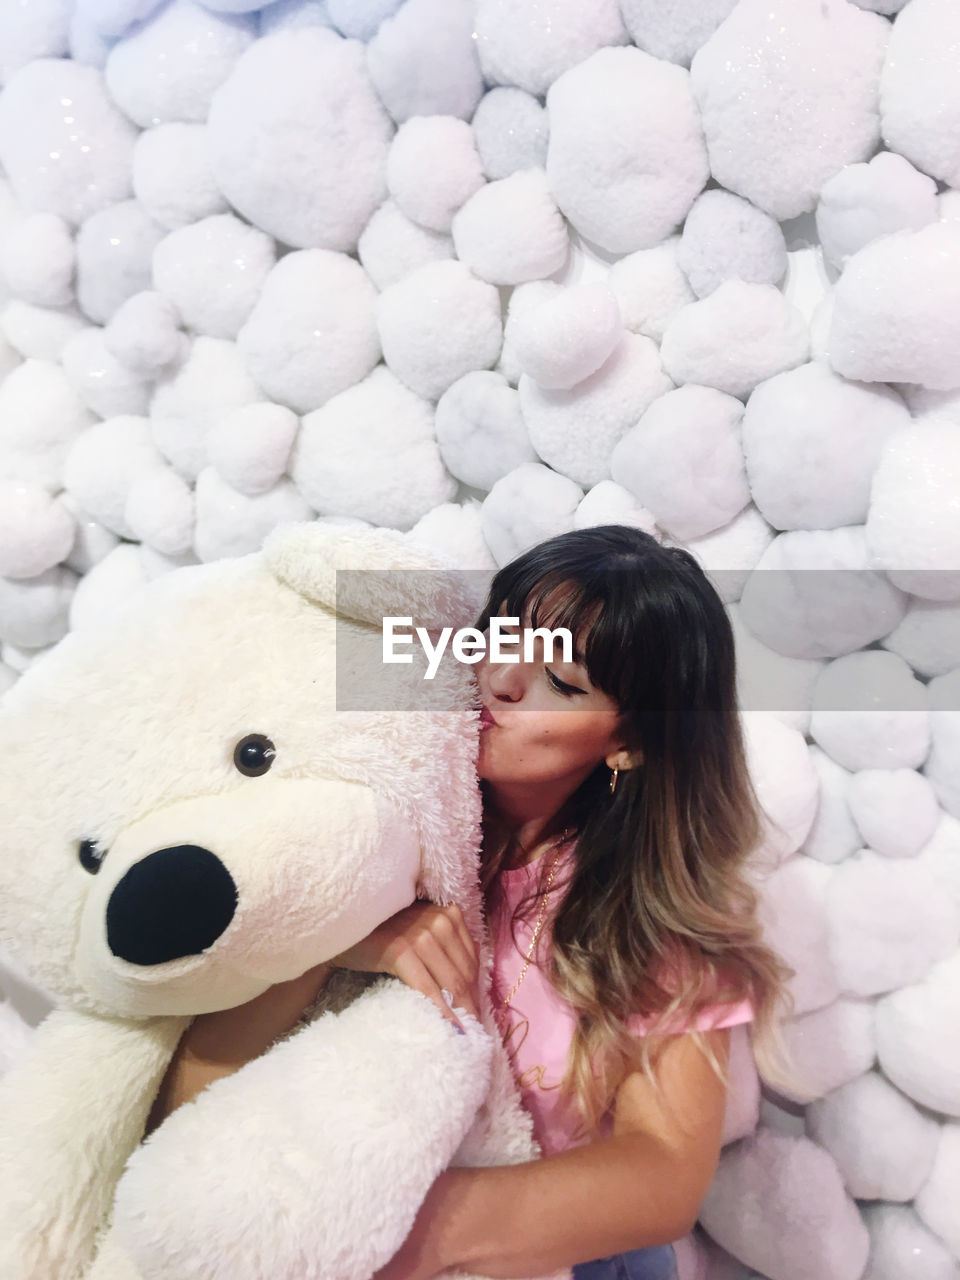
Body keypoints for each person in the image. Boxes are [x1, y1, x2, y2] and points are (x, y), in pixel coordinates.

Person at [148, 524, 795, 1280]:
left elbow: (662, 1182)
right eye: (501, 636)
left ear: (632, 743)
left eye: (563, 682)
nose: (503, 680)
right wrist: (334, 940)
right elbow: (188, 1101)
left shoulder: (650, 917)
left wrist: (377, 1230)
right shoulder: (372, 818)